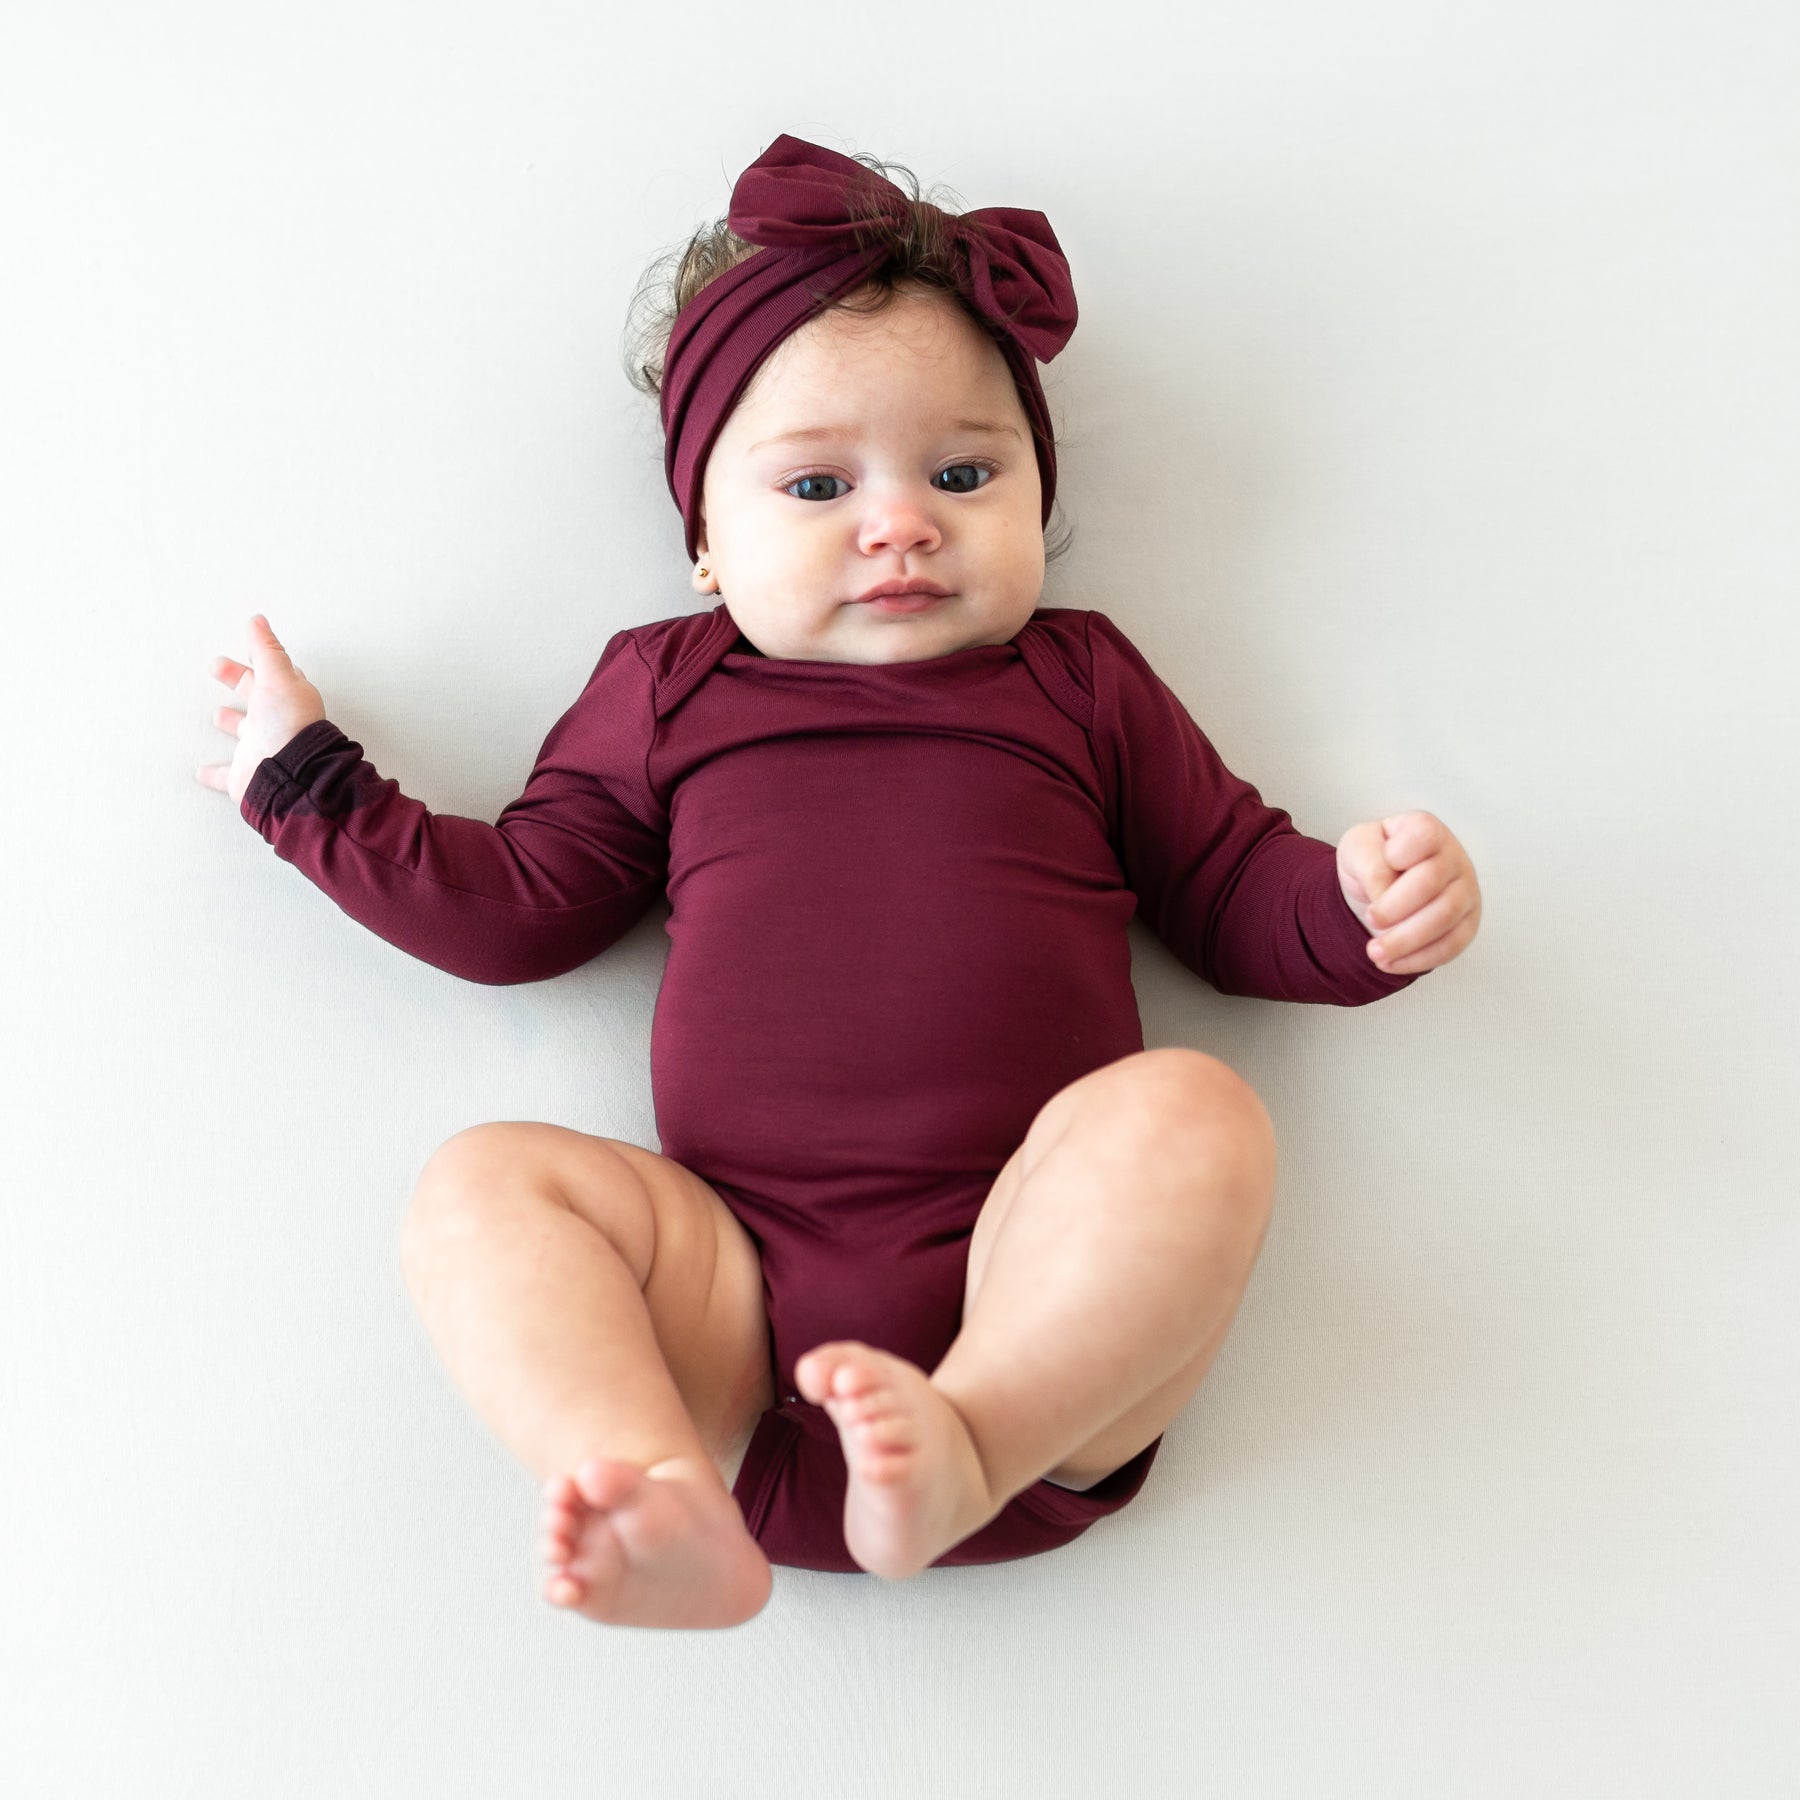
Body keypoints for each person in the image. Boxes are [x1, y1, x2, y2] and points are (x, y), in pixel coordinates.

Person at [195, 134, 1482, 1631]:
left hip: (1040, 1314)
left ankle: (966, 1440)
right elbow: (521, 907)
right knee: (483, 1188)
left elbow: (1231, 885)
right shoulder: (670, 690)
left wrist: (1358, 908)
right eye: (816, 483)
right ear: (705, 545)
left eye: (963, 473)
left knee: (1193, 1114)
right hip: (736, 1325)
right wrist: (310, 790)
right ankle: (642, 1485)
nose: (900, 522)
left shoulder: (1079, 682)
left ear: (1035, 502)